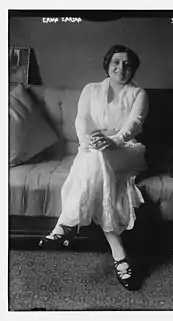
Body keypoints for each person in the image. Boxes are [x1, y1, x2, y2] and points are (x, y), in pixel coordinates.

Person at [39, 44, 149, 291]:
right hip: (93, 149)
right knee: (94, 160)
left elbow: (135, 125)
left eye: (127, 64)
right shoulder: (91, 90)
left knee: (94, 160)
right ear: (107, 65)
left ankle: (65, 225)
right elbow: (81, 120)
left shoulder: (139, 94)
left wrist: (113, 141)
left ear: (133, 69)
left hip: (127, 150)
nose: (121, 68)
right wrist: (87, 139)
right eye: (116, 62)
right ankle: (120, 256)